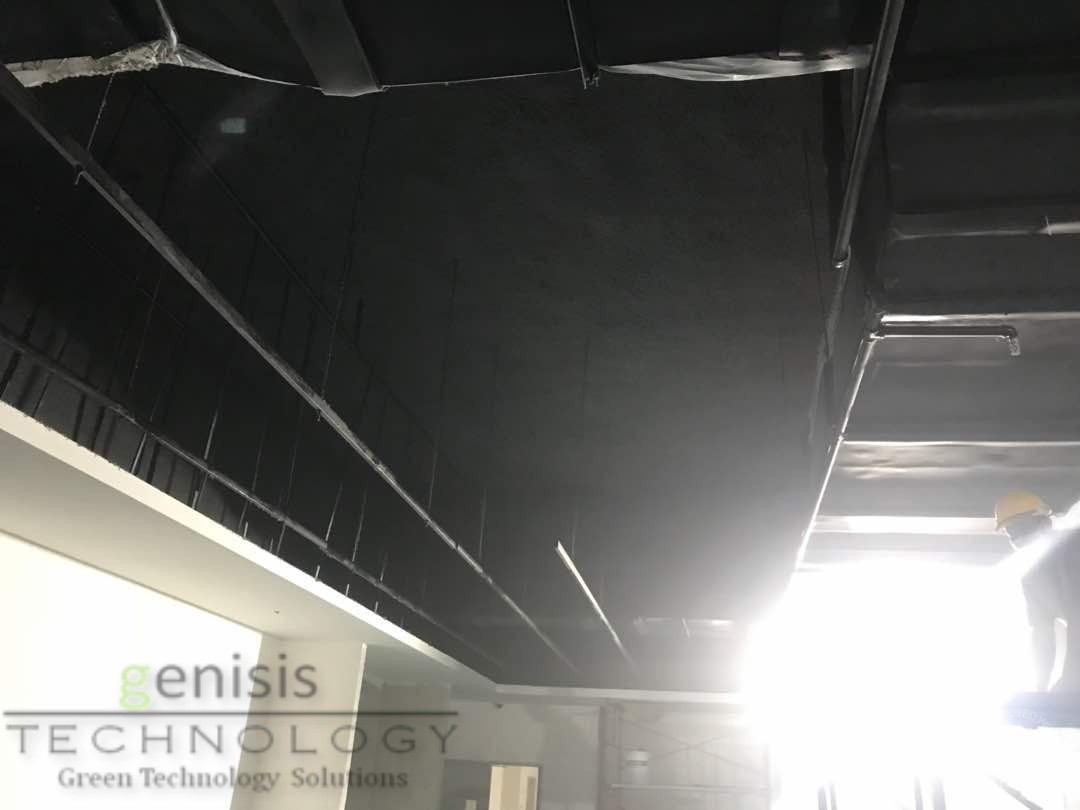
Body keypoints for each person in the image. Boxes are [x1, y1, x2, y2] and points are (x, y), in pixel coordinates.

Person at [995, 491, 1080, 692]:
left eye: (1023, 527)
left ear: (1045, 523)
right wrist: (1040, 690)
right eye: (1012, 532)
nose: (1018, 537)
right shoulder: (1032, 574)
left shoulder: (1072, 548)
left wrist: (1071, 681)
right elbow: (1043, 634)